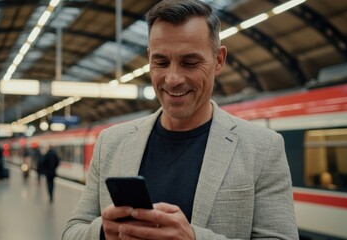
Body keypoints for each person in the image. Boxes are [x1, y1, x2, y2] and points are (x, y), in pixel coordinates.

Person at [63, 0, 298, 239]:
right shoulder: (111, 143)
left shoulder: (264, 148)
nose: (173, 78)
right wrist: (104, 232)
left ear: (219, 60)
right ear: (149, 59)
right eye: (161, 62)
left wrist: (194, 238)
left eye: (190, 62)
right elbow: (73, 231)